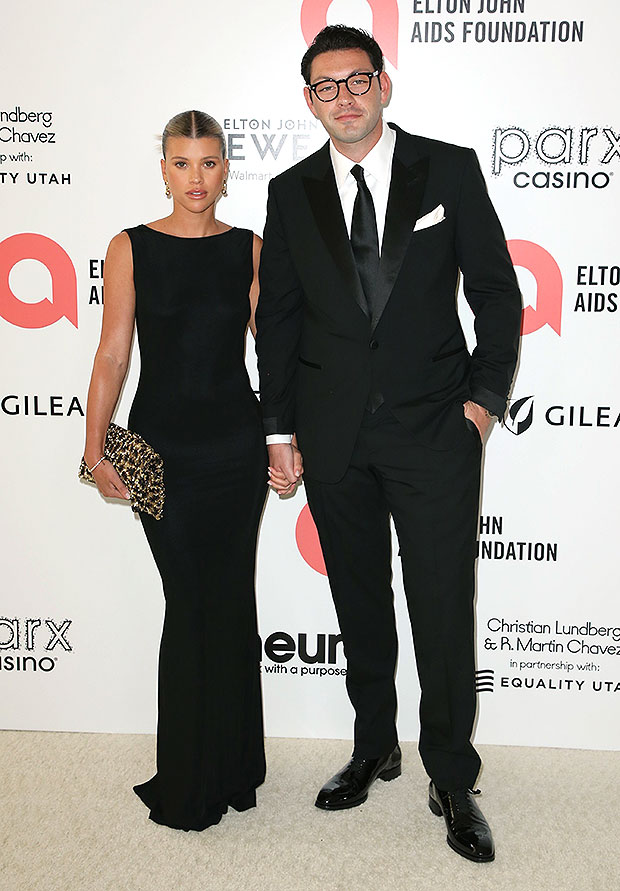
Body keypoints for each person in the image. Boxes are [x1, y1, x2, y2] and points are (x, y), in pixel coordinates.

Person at [256, 26, 521, 862]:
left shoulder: (449, 169)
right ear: (310, 101)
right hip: (333, 434)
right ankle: (375, 745)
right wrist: (278, 427)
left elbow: (497, 294)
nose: (344, 97)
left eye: (357, 80)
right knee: (360, 599)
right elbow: (279, 318)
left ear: (383, 84)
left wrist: (481, 406)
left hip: (437, 428)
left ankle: (452, 775)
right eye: (326, 86)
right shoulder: (290, 191)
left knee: (441, 606)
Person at [84, 110, 270, 831]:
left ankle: (235, 767)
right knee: (189, 601)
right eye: (182, 163)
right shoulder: (129, 246)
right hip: (157, 451)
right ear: (162, 169)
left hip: (236, 448)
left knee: (230, 600)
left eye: (209, 162)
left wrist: (285, 437)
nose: (196, 177)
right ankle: (190, 777)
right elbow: (112, 353)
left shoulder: (249, 249)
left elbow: (273, 353)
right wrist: (96, 446)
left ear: (225, 170)